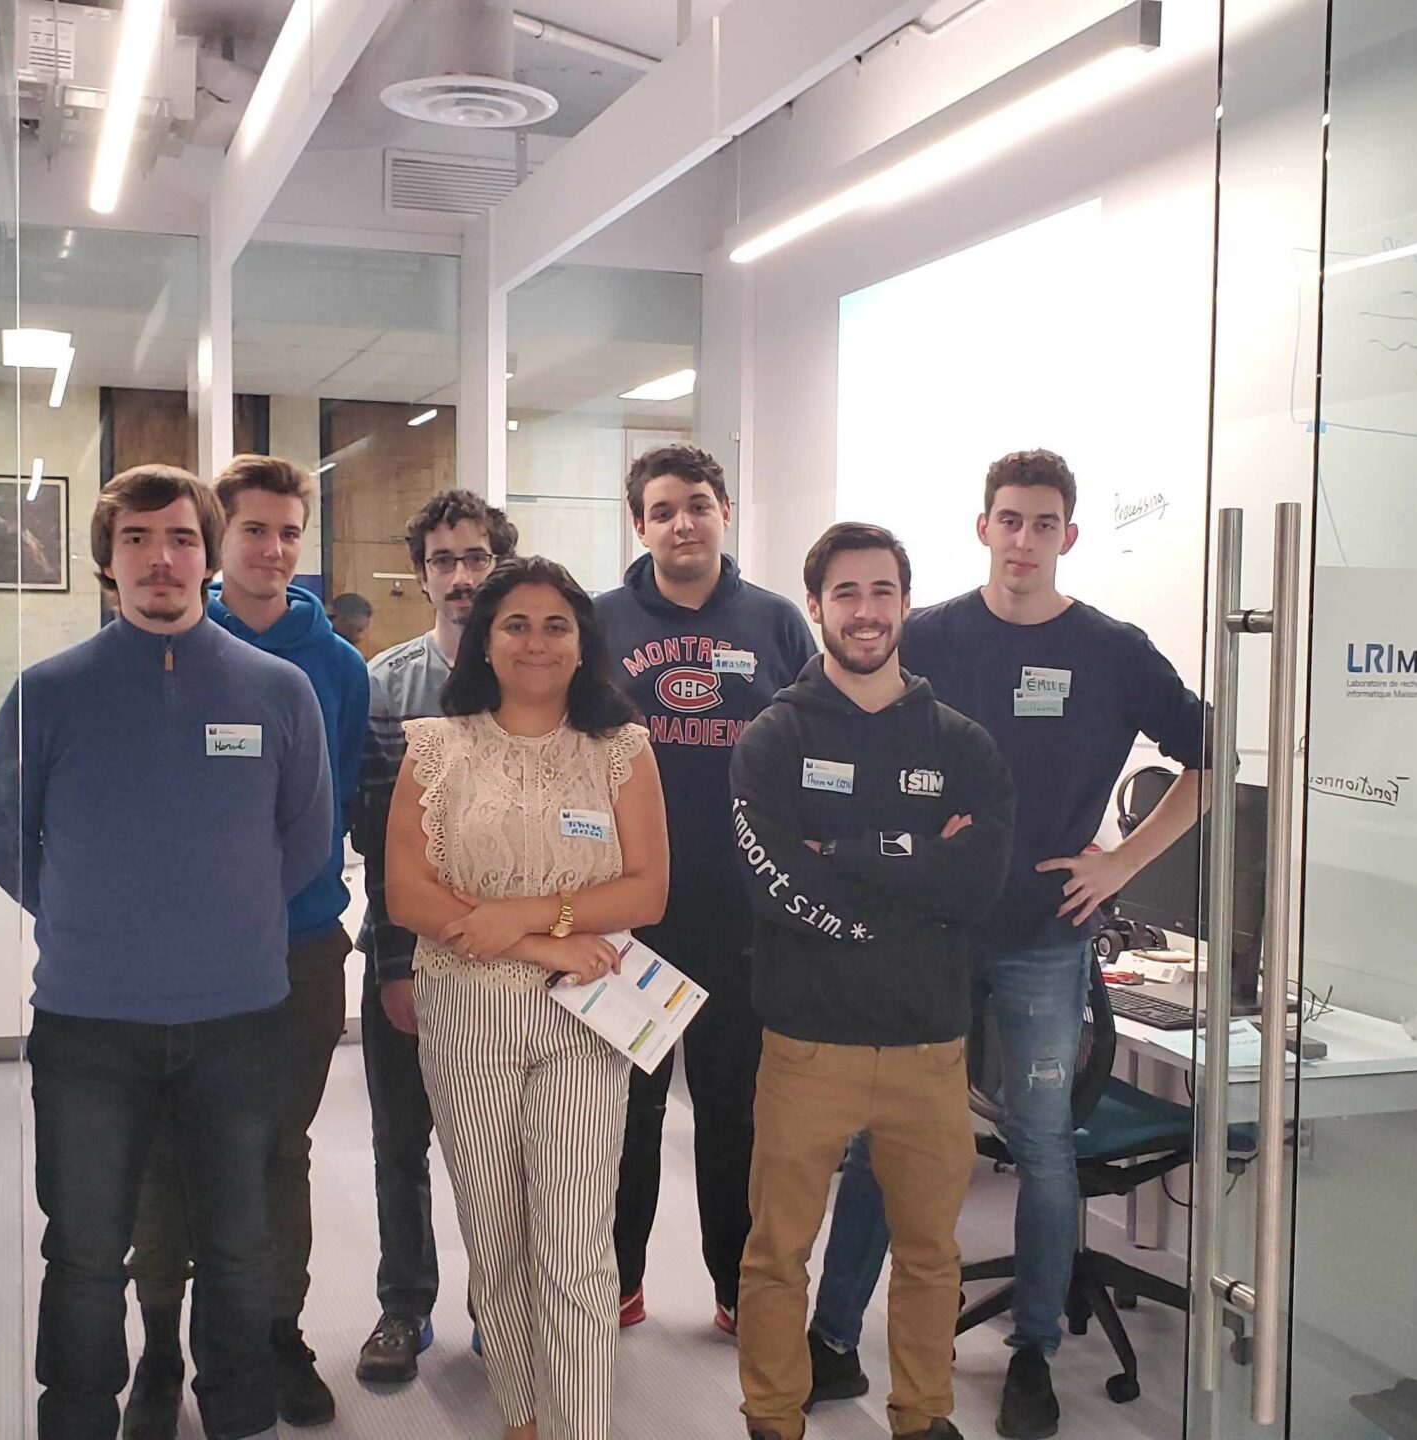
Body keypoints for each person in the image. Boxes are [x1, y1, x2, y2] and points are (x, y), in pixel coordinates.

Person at [806, 451, 1207, 1437]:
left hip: (1041, 937)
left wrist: (1122, 862)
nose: (1024, 540)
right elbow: (849, 746)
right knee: (880, 1141)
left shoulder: (1113, 651)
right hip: (926, 935)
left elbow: (1212, 755)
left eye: (1044, 523)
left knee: (1042, 1146)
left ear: (1069, 535)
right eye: (1010, 520)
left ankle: (1032, 1351)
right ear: (982, 527)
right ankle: (831, 1339)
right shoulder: (929, 636)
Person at [0, 464, 336, 1440]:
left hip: (238, 1020)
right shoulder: (48, 693)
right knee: (86, 1252)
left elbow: (304, 840)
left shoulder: (278, 690)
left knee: (238, 1246)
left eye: (181, 538)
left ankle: (239, 1416)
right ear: (106, 560)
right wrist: (98, 919)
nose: (160, 559)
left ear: (208, 555)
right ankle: (79, 1418)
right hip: (90, 1024)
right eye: (135, 539)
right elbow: (5, 838)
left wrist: (219, 922)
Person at [730, 523, 1015, 1440]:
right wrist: (915, 878)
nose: (865, 611)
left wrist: (849, 855)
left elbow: (978, 883)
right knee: (777, 1253)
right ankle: (773, 1415)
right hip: (808, 1043)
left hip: (929, 1045)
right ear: (815, 606)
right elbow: (774, 883)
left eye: (882, 591)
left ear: (905, 602)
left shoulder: (962, 743)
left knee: (931, 1255)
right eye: (845, 593)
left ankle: (922, 1415)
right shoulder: (773, 738)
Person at [384, 556, 670, 1440]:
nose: (536, 642)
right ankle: (520, 1416)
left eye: (556, 626)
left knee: (576, 1245)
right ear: (484, 641)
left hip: (585, 1016)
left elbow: (648, 890)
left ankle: (579, 1426)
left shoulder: (621, 750)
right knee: (497, 1240)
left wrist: (525, 916)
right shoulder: (436, 747)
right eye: (516, 624)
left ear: (583, 644)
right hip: (466, 1014)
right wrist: (543, 940)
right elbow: (411, 897)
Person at [120, 455, 371, 1437]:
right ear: (219, 540)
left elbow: (329, 804)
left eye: (289, 532)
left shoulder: (337, 667)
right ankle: (160, 1352)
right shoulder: (164, 643)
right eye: (253, 529)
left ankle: (277, 1335)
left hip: (296, 948)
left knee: (276, 1151)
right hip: (173, 954)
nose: (272, 549)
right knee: (167, 1153)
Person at [593, 444, 815, 1333]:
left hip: (744, 915)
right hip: (633, 912)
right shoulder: (600, 622)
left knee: (734, 1115)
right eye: (662, 510)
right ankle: (616, 1282)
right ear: (638, 525)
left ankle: (737, 1288)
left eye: (696, 504)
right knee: (624, 1112)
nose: (681, 523)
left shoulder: (775, 622)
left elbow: (812, 746)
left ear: (724, 511)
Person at [348, 489, 520, 1385]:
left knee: (501, 1145)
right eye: (443, 561)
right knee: (400, 1142)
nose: (461, 577)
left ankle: (500, 1305)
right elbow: (378, 846)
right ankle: (404, 1306)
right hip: (412, 954)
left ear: (501, 565)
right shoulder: (386, 687)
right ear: (421, 576)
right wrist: (395, 967)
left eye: (477, 557)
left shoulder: (538, 680)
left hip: (514, 963)